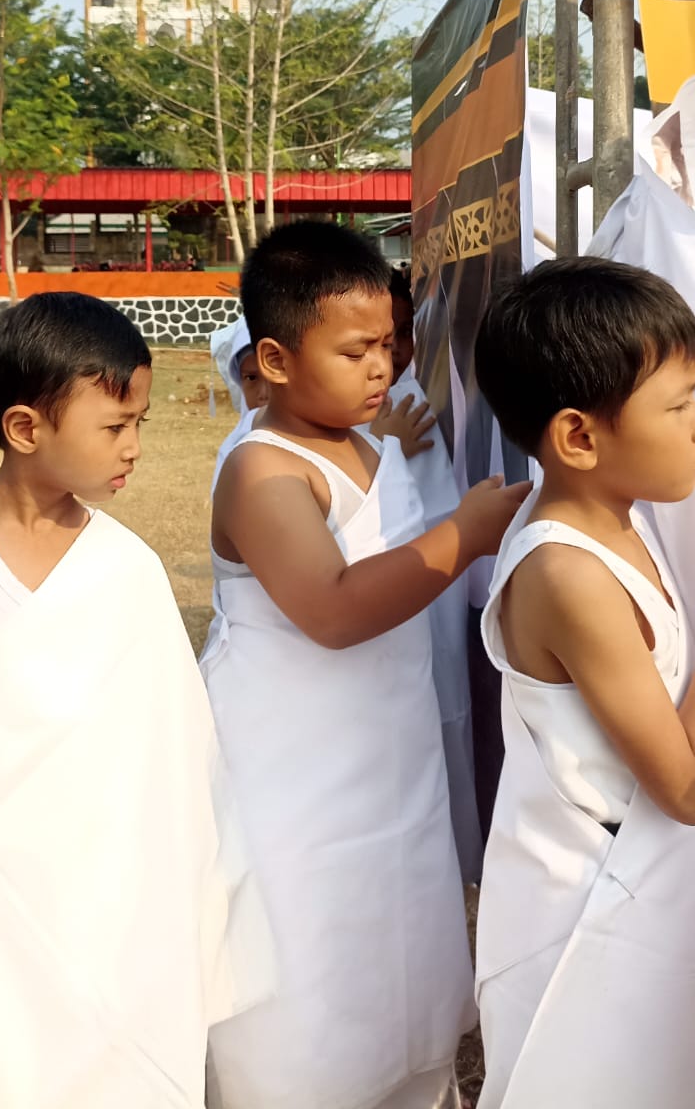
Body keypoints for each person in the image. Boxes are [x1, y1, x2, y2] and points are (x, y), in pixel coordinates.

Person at [203, 220, 529, 1109]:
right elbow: (335, 609)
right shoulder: (264, 472)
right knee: (308, 974)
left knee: (398, 964)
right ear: (272, 359)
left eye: (388, 343)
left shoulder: (367, 443)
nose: (381, 367)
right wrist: (462, 533)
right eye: (354, 351)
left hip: (387, 762)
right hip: (294, 783)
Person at [0, 293, 273, 1107]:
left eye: (139, 422)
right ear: (25, 428)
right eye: (114, 427)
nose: (135, 447)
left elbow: (178, 760)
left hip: (119, 903)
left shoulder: (129, 569)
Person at [473, 257, 695, 1108]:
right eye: (677, 407)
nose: (692, 424)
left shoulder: (609, 514)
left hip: (628, 889)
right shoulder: (571, 573)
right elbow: (679, 786)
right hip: (590, 914)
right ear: (578, 437)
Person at [378, 270, 482, 883]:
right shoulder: (378, 415)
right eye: (368, 342)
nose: (386, 355)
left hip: (431, 599)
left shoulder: (414, 399)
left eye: (396, 337)